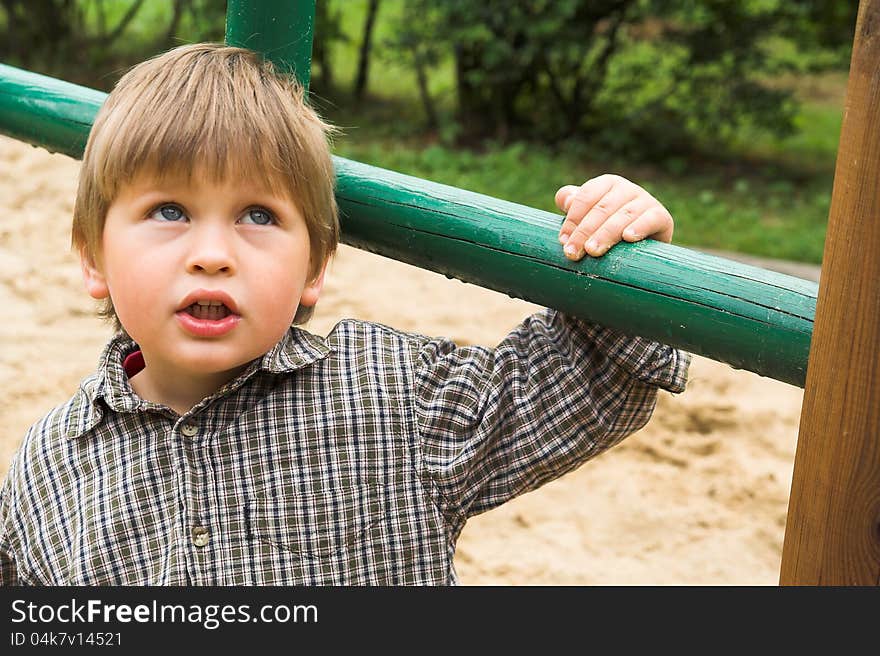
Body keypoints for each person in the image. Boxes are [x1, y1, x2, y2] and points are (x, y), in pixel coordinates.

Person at [0, 43, 689, 585]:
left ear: (313, 268)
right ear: (92, 258)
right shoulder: (47, 471)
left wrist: (624, 250)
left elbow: (591, 383)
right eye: (169, 212)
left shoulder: (396, 397)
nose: (212, 254)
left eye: (259, 215)